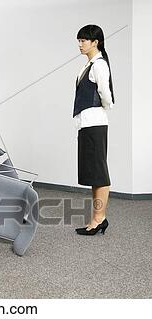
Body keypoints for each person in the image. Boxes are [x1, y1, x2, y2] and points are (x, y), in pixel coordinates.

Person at [73, 25, 114, 235]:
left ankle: (100, 219)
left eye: (83, 40)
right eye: (79, 40)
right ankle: (96, 218)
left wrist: (104, 109)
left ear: (95, 42)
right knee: (93, 173)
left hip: (95, 123)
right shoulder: (88, 65)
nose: (80, 44)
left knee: (99, 172)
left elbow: (105, 94)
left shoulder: (99, 65)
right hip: (87, 124)